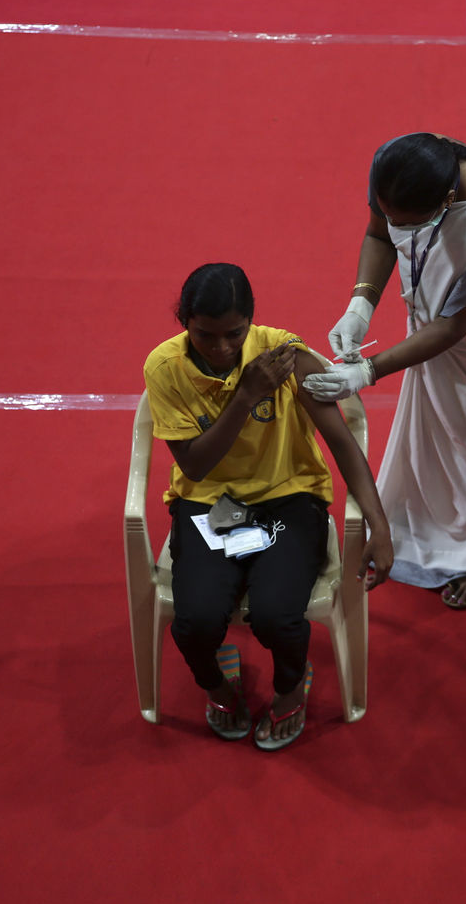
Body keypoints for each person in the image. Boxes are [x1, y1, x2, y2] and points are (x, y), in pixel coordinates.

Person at [143, 262, 393, 750]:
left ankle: (290, 688)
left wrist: (379, 525)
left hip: (289, 498)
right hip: (208, 503)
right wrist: (246, 396)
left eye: (234, 333)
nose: (221, 348)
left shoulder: (285, 356)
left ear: (251, 321)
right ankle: (218, 686)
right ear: (184, 323)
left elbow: (342, 445)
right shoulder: (164, 368)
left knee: (277, 617)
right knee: (195, 624)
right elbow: (195, 466)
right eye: (204, 335)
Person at [302, 132, 466, 609]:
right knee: (442, 423)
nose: (396, 225)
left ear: (447, 201)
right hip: (442, 314)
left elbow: (453, 326)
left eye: (409, 222)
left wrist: (368, 371)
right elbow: (379, 234)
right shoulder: (393, 169)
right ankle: (435, 522)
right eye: (391, 213)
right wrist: (360, 304)